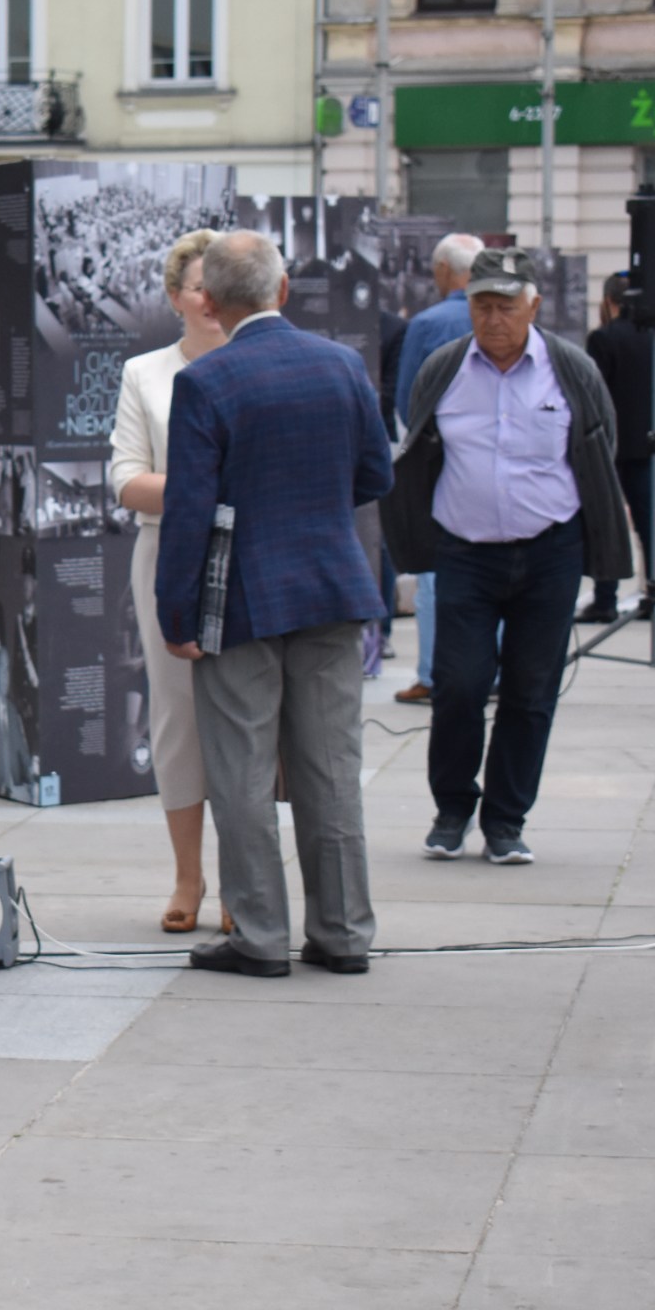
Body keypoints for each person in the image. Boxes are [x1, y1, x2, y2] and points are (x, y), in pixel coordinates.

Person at [157, 231, 393, 977]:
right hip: (331, 585)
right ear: (282, 290)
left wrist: (177, 612)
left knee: (241, 773)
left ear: (214, 304)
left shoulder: (206, 382)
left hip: (243, 601)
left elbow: (190, 511)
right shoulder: (342, 364)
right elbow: (376, 473)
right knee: (330, 769)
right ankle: (345, 931)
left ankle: (259, 935)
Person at [388, 248, 632, 867]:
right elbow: (419, 443)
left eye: (505, 306)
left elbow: (603, 444)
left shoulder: (569, 370)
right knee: (461, 685)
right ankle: (451, 808)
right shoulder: (444, 370)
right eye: (481, 305)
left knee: (530, 690)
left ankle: (505, 820)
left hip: (550, 550)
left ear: (533, 306)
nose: (492, 318)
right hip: (465, 551)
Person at [109, 227, 226, 933]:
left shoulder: (258, 362)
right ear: (175, 296)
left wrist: (190, 488)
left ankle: (246, 877)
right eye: (197, 286)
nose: (210, 298)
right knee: (178, 720)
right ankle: (189, 875)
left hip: (252, 561)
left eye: (222, 285)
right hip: (168, 556)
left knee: (250, 721)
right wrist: (204, 490)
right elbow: (125, 479)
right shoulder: (145, 374)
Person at [391, 233, 486, 704]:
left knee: (432, 573)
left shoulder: (426, 323)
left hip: (440, 463)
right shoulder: (501, 317)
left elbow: (410, 400)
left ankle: (432, 674)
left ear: (446, 271)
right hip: (492, 464)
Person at [579, 272, 655, 624]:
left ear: (610, 302)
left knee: (607, 522)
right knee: (649, 524)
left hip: (609, 445)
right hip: (647, 444)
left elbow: (593, 395)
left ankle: (605, 598)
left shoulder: (603, 339)